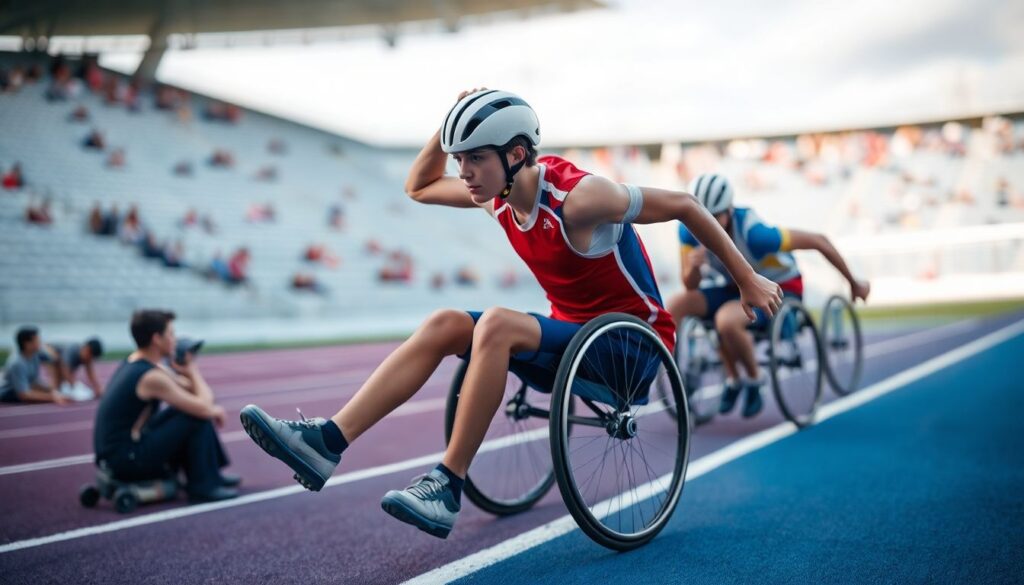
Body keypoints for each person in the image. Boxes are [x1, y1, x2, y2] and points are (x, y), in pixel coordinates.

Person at [239, 89, 782, 539]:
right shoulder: (494, 194)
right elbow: (418, 187)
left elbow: (687, 205)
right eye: (460, 159)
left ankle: (447, 485)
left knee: (496, 322)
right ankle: (327, 443)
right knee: (446, 322)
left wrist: (746, 278)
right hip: (568, 339)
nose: (465, 172)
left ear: (518, 154)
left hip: (631, 346)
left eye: (475, 158)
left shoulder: (580, 199)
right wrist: (450, 121)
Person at [666, 173, 871, 418]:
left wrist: (853, 282)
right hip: (735, 287)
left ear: (729, 212)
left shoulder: (756, 235)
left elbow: (819, 241)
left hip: (779, 287)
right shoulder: (688, 231)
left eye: (715, 218)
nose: (707, 227)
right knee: (676, 304)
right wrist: (693, 267)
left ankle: (754, 379)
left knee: (726, 321)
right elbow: (690, 285)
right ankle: (695, 374)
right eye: (701, 219)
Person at [93, 310, 239, 502]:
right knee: (195, 416)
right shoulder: (152, 377)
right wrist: (193, 371)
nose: (175, 339)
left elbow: (193, 391)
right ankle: (203, 486)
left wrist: (188, 374)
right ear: (156, 339)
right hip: (126, 460)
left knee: (185, 411)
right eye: (171, 334)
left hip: (117, 454)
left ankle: (212, 475)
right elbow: (204, 404)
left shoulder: (138, 362)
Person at [0, 326, 67, 404]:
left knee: (49, 389)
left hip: (30, 387)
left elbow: (56, 359)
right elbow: (24, 395)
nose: (40, 343)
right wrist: (52, 397)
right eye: (37, 340)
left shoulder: (36, 353)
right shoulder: (17, 363)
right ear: (27, 344)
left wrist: (54, 389)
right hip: (10, 394)